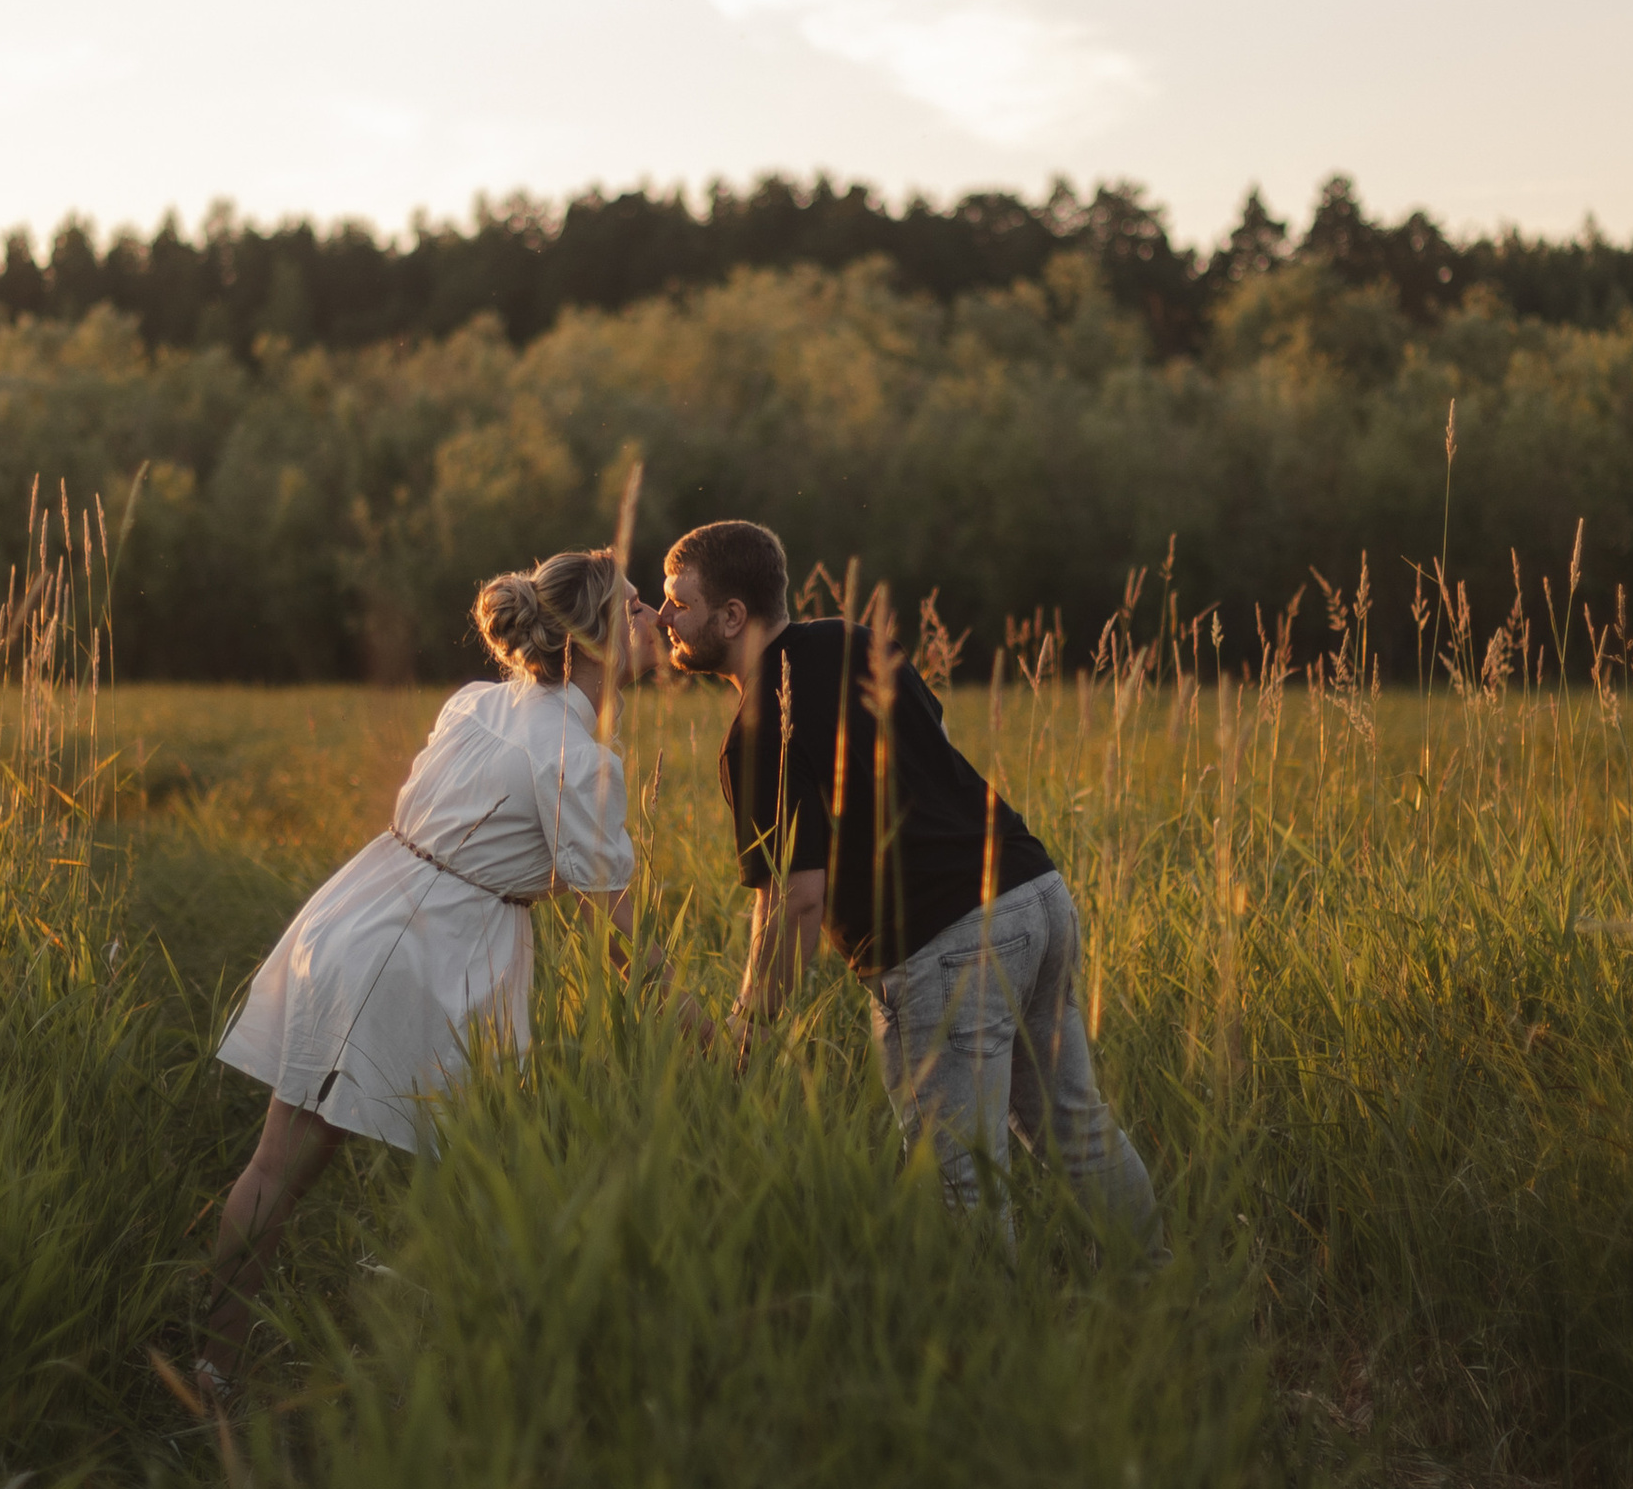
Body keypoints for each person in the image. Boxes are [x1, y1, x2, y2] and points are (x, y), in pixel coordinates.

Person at [200, 547, 667, 1362]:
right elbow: (615, 933)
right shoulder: (574, 760)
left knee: (288, 1168)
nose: (654, 615)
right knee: (452, 1176)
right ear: (591, 641)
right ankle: (234, 1362)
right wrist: (709, 1024)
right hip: (413, 953)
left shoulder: (477, 702)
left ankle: (234, 1356)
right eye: (633, 606)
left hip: (366, 919)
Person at [658, 516, 1159, 1256]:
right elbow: (927, 739)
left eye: (680, 602)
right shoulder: (855, 639)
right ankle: (1159, 1285)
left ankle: (986, 1354)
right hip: (1034, 891)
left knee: (955, 1175)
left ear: (732, 616)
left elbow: (796, 898)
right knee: (1076, 1126)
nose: (665, 616)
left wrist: (752, 1025)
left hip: (947, 943)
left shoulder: (758, 729)